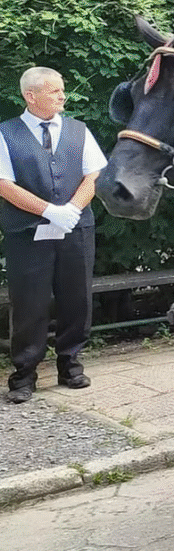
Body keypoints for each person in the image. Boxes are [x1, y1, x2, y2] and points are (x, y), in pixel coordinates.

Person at [0, 67, 106, 404]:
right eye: (54, 91)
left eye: (62, 89)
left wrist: (72, 209)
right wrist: (48, 210)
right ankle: (24, 375)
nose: (63, 96)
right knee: (29, 302)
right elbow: (4, 184)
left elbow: (94, 175)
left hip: (76, 229)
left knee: (77, 298)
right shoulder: (5, 133)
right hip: (27, 233)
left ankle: (70, 365)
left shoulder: (78, 130)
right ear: (30, 96)